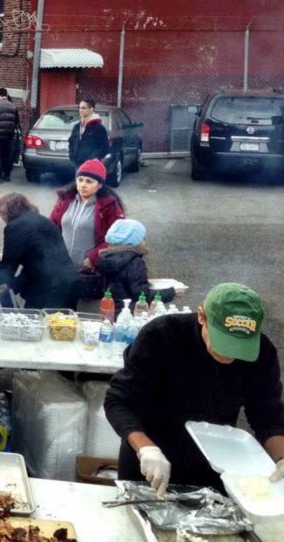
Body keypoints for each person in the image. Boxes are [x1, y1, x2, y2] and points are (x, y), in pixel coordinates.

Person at [105, 283, 284, 496]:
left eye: (239, 348)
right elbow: (118, 401)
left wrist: (281, 459)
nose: (230, 356)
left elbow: (268, 416)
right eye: (223, 343)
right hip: (151, 463)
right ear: (201, 316)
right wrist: (146, 449)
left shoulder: (262, 354)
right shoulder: (162, 336)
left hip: (216, 468)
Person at [0, 192, 80, 309]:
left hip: (47, 288)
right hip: (69, 280)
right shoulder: (43, 220)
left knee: (38, 324)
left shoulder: (15, 226)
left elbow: (9, 266)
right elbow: (39, 253)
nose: (1, 218)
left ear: (6, 212)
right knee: (63, 324)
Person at [49, 159, 125, 273]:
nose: (83, 185)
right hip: (62, 267)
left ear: (99, 185)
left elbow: (118, 238)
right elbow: (50, 228)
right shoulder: (65, 200)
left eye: (89, 181)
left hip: (90, 270)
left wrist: (93, 259)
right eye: (80, 180)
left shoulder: (109, 206)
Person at [95, 219, 175, 316]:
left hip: (110, 313)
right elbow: (142, 296)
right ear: (134, 242)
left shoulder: (106, 259)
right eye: (143, 239)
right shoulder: (134, 262)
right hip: (130, 315)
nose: (145, 243)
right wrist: (171, 292)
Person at [68, 98, 110, 167]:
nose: (80, 110)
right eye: (79, 108)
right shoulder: (77, 127)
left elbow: (105, 147)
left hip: (92, 166)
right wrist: (72, 156)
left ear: (91, 109)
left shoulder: (99, 128)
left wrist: (92, 159)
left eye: (84, 108)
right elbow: (71, 142)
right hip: (78, 165)